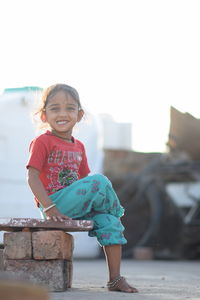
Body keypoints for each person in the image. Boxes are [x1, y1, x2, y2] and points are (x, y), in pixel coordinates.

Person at [26, 83, 138, 293]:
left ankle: (115, 279)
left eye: (69, 108)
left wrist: (98, 211)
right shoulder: (42, 142)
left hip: (78, 206)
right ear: (43, 116)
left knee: (110, 222)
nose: (63, 113)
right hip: (55, 205)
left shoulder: (79, 147)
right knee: (100, 182)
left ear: (79, 115)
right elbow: (31, 176)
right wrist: (49, 208)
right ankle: (117, 212)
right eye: (55, 108)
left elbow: (83, 180)